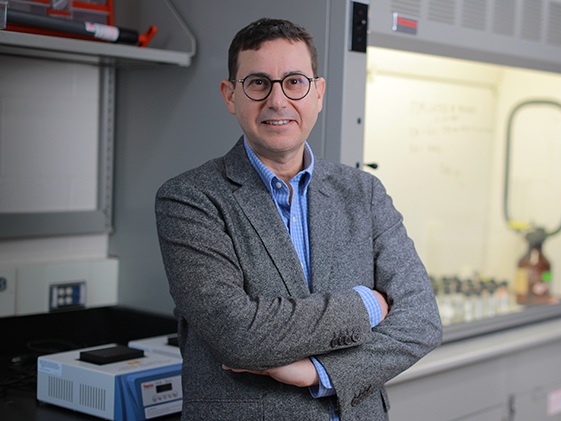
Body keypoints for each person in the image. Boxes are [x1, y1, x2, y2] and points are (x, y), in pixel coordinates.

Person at [155, 18, 442, 420]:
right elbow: (239, 334)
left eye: (294, 82)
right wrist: (368, 305)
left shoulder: (364, 192)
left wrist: (317, 371)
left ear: (318, 93)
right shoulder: (190, 199)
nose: (277, 100)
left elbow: (421, 321)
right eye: (258, 83)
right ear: (229, 95)